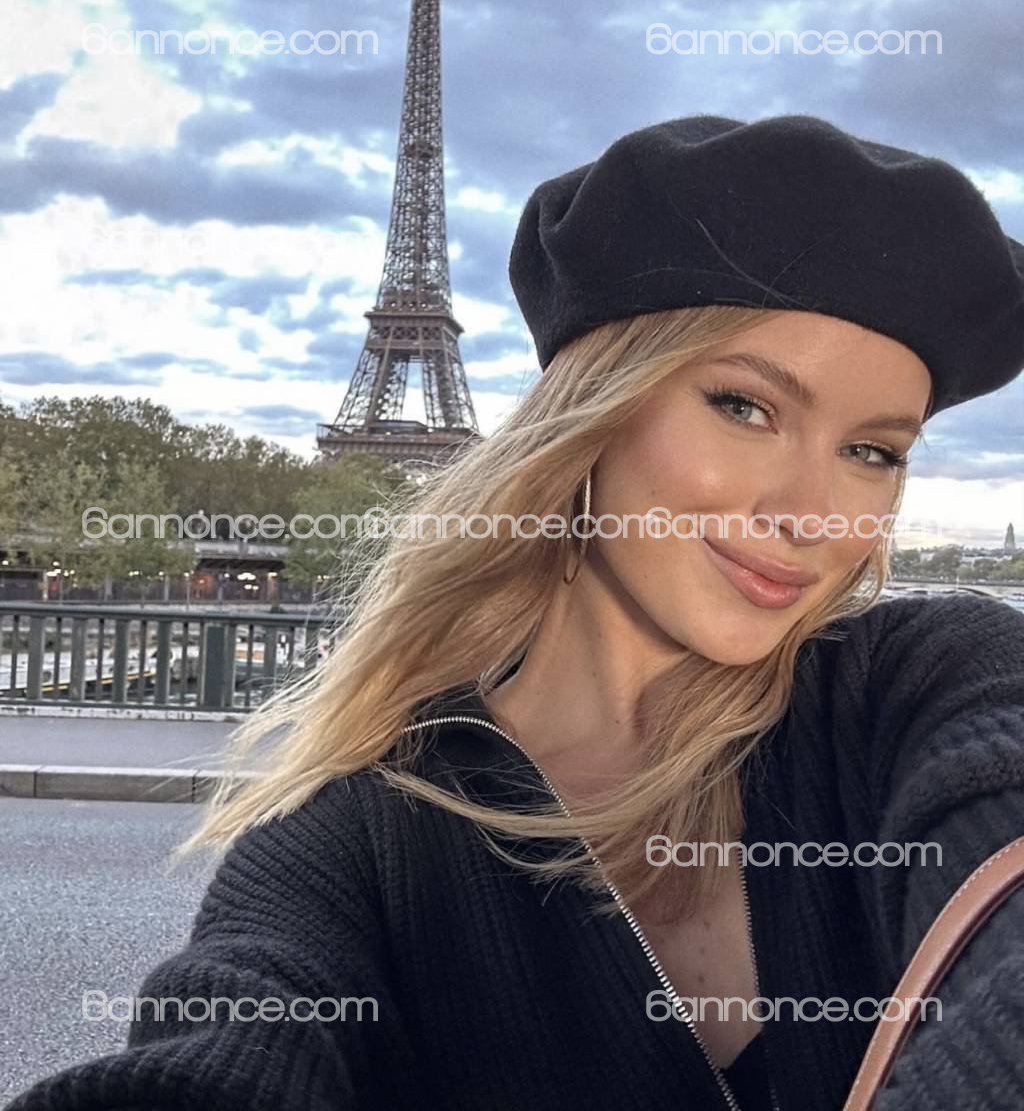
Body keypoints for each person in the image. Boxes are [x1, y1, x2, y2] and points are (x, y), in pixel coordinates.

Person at [6, 113, 1024, 1111]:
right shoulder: (357, 845)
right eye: (744, 407)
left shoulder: (924, 684)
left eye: (872, 452)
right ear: (591, 415)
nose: (810, 513)